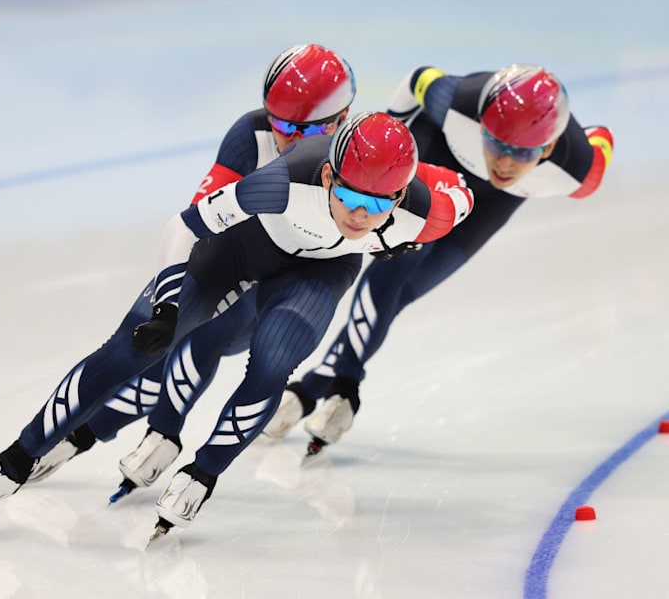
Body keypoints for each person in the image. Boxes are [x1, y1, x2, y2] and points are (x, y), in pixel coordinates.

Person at [0, 112, 474, 539]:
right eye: (351, 197)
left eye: (379, 205)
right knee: (131, 348)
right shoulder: (284, 182)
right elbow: (183, 226)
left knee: (276, 358)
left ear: (401, 196)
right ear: (329, 175)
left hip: (319, 272)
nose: (360, 215)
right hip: (240, 252)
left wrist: (406, 224)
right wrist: (165, 307)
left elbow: (462, 192)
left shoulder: (419, 213)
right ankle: (16, 459)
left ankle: (201, 475)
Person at [21, 43, 357, 484]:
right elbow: (199, 224)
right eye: (281, 124)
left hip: (300, 280)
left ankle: (143, 434)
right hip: (245, 262)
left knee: (207, 338)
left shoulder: (359, 161)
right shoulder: (250, 136)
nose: (290, 140)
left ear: (343, 120)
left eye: (305, 132)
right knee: (175, 337)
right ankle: (94, 436)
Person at [262, 63, 614, 455]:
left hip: (495, 201)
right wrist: (393, 151)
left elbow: (601, 140)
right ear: (480, 124)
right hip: (438, 158)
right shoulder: (459, 101)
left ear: (548, 149)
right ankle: (343, 384)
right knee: (390, 275)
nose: (504, 162)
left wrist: (589, 138)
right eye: (496, 142)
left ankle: (314, 386)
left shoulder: (579, 171)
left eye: (522, 152)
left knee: (406, 291)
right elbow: (417, 79)